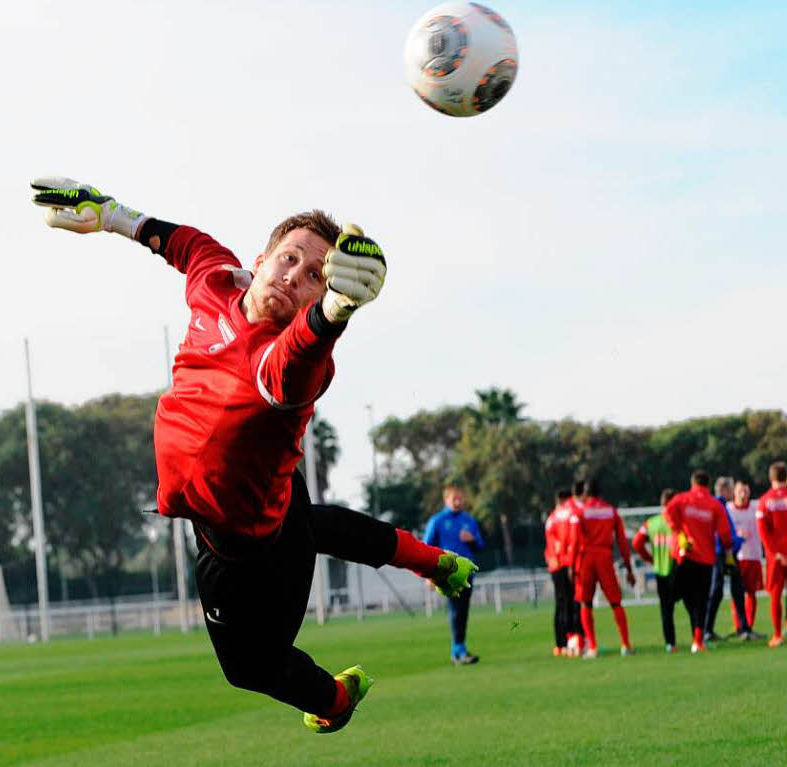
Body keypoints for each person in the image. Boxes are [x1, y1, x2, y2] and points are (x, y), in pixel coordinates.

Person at [30, 178, 477, 734]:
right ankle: (436, 563)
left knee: (249, 667)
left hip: (254, 554)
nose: (294, 276)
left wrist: (337, 309)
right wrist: (112, 215)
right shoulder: (216, 281)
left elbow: (298, 356)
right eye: (289, 259)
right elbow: (188, 245)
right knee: (314, 524)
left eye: (316, 275)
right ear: (260, 260)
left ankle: (336, 700)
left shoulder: (290, 360)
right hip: (263, 500)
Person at [664, 470, 733, 653]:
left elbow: (668, 513)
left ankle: (670, 642)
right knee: (701, 601)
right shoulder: (714, 505)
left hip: (685, 557)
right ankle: (698, 641)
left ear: (693, 483)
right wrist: (728, 552)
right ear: (708, 485)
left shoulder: (681, 499)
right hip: (705, 560)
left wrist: (678, 531)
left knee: (672, 598)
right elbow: (725, 534)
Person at [568, 477, 636, 658]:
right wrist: (629, 569)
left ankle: (593, 648)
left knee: (585, 603)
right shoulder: (611, 511)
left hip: (586, 559)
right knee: (616, 602)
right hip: (605, 558)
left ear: (586, 493)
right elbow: (622, 543)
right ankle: (626, 645)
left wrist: (571, 565)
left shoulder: (580, 512)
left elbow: (574, 541)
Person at [424, 485, 485, 665]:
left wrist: (472, 540)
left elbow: (480, 545)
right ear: (446, 500)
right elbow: (426, 547)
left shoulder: (469, 521)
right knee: (456, 610)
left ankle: (459, 649)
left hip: (467, 574)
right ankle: (458, 650)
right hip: (447, 574)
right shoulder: (438, 521)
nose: (458, 502)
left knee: (462, 611)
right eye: (454, 499)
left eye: (461, 498)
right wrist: (429, 575)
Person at [631, 489, 679, 651]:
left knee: (666, 610)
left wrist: (650, 558)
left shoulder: (651, 523)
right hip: (679, 569)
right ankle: (698, 639)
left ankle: (670, 644)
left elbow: (637, 543)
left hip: (660, 570)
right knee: (692, 605)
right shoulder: (680, 521)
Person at [702, 476, 745, 642]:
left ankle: (742, 627)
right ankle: (707, 629)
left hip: (725, 552)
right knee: (718, 590)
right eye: (731, 489)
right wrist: (738, 541)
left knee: (733, 589)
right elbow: (722, 533)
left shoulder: (720, 505)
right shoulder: (718, 505)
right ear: (725, 490)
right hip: (723, 553)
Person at [726, 480, 764, 640]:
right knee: (737, 593)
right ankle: (739, 626)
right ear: (734, 492)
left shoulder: (755, 509)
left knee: (752, 593)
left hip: (753, 555)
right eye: (741, 490)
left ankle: (749, 626)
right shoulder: (728, 509)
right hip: (736, 557)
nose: (743, 493)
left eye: (746, 491)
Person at [756, 461, 787, 647]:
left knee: (775, 595)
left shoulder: (764, 501)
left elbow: (763, 531)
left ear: (770, 478)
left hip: (775, 556)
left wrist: (776, 553)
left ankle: (777, 635)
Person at [544, 489, 576, 656]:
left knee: (560, 603)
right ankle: (572, 642)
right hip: (566, 563)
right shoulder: (568, 516)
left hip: (554, 565)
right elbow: (569, 540)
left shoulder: (551, 518)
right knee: (571, 603)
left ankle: (560, 644)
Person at [562, 480, 587, 655]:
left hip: (562, 561)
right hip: (576, 561)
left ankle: (570, 641)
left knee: (567, 602)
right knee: (579, 601)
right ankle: (580, 641)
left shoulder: (562, 510)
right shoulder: (577, 511)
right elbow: (574, 539)